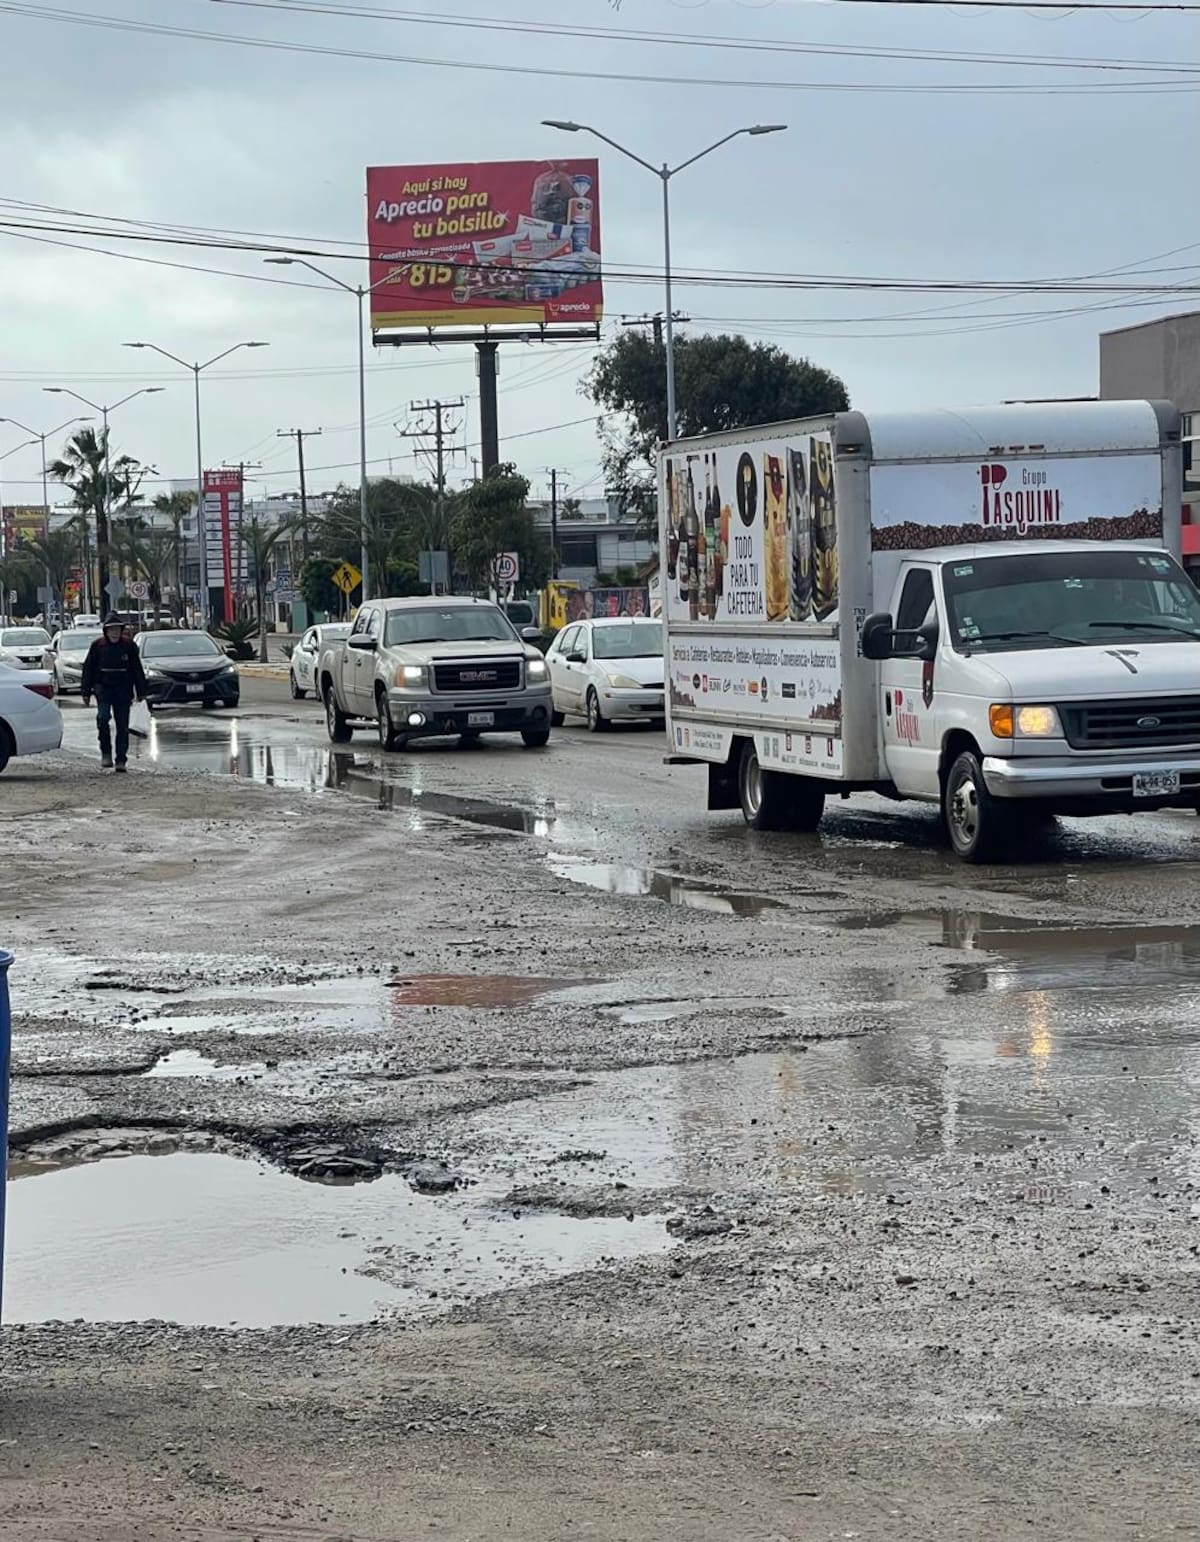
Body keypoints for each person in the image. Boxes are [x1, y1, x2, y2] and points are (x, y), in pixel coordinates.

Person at [81, 613, 147, 772]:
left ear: (121, 630)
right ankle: (106, 752)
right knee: (103, 718)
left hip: (123, 689)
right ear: (106, 631)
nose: (114, 633)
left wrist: (141, 691)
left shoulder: (129, 646)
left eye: (117, 629)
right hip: (103, 688)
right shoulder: (98, 646)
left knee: (122, 726)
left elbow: (137, 670)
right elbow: (88, 669)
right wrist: (85, 692)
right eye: (111, 630)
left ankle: (121, 759)